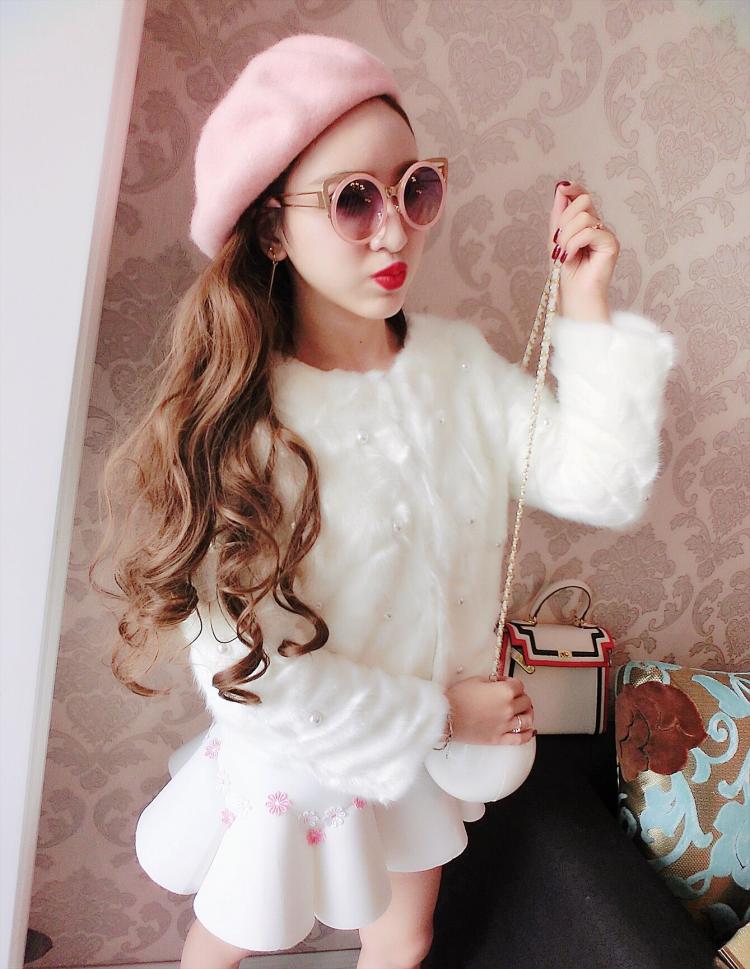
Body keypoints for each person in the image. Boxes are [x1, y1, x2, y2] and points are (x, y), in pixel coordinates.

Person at [90, 32, 678, 969]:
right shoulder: (246, 427)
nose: (396, 231)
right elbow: (255, 678)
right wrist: (443, 717)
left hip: (420, 760)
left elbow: (601, 481)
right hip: (306, 755)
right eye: (353, 199)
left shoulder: (458, 371)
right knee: (234, 932)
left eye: (415, 189)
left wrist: (585, 300)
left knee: (404, 937)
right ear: (273, 228)